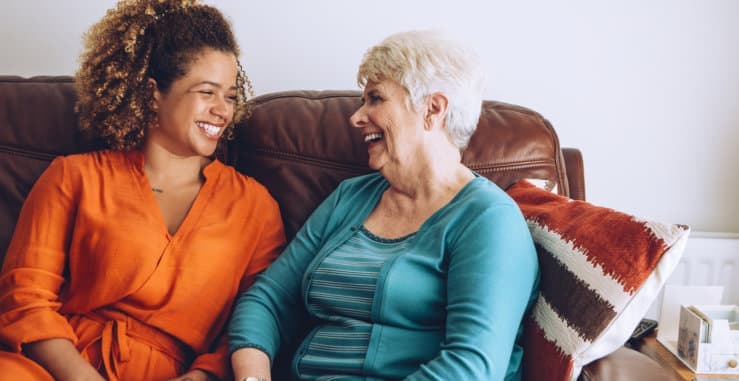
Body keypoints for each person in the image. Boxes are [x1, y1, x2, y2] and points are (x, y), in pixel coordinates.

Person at [228, 30, 539, 381]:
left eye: (376, 99)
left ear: (432, 109)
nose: (357, 117)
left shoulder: (488, 219)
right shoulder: (351, 197)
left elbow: (471, 366)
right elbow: (267, 300)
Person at [0, 1, 285, 380]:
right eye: (207, 92)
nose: (223, 110)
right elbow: (25, 298)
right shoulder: (74, 177)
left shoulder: (255, 208)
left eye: (230, 96)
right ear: (153, 94)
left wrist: (201, 377)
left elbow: (255, 323)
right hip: (62, 368)